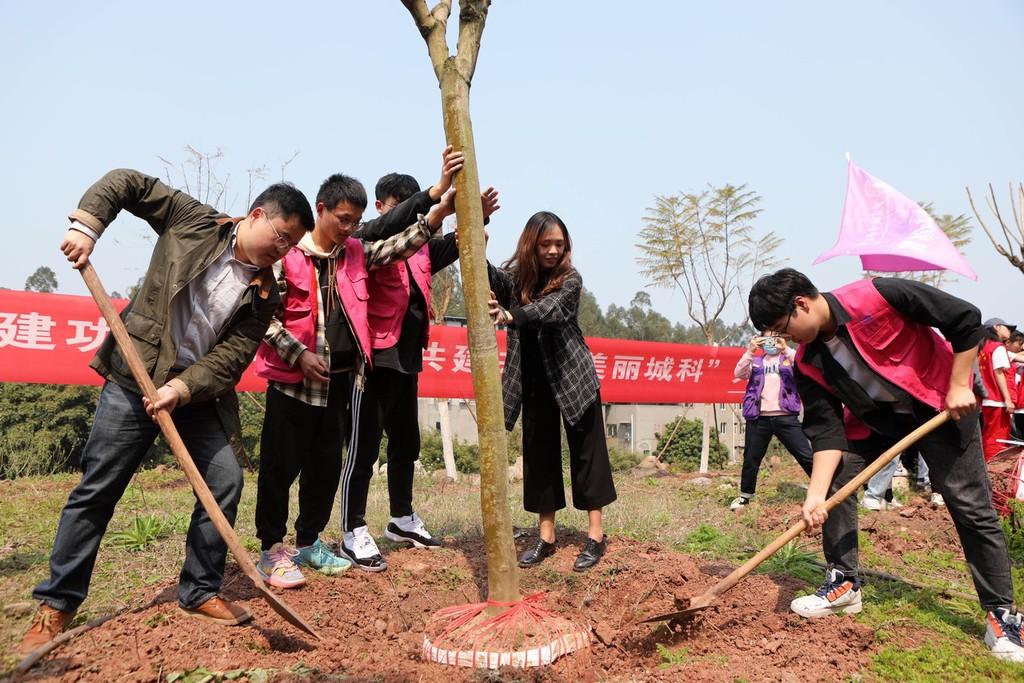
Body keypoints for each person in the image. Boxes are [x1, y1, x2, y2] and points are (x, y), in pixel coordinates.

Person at [19, 169, 314, 655]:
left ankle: (199, 590)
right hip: (134, 377)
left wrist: (181, 388)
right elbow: (126, 183)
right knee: (100, 487)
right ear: (257, 215)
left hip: (194, 394)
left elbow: (230, 359)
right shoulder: (191, 220)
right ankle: (56, 604)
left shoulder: (265, 295)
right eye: (280, 237)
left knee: (225, 482)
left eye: (290, 246)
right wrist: (86, 225)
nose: (281, 251)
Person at [748, 269, 1024, 663]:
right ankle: (844, 582)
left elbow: (964, 318)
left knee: (970, 505)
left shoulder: (877, 296)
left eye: (783, 328)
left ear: (801, 304)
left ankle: (1002, 613)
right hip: (879, 421)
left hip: (940, 405)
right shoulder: (808, 362)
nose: (787, 340)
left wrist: (960, 384)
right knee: (836, 475)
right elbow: (827, 435)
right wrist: (814, 498)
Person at [251, 165, 458, 586]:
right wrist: (300, 354)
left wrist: (437, 214)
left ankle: (308, 542)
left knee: (325, 467)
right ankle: (272, 550)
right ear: (321, 209)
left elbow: (399, 246)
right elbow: (263, 321)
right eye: (343, 219)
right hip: (294, 384)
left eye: (355, 222)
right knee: (279, 468)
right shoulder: (288, 257)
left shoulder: (356, 255)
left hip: (341, 383)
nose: (349, 229)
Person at [336, 169, 499, 571]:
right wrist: (433, 205)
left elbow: (459, 245)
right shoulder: (366, 242)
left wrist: (476, 216)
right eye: (399, 208)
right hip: (373, 358)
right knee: (363, 447)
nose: (408, 216)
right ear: (380, 208)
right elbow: (397, 231)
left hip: (407, 358)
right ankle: (351, 529)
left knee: (406, 443)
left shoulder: (423, 247)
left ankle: (401, 518)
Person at [488, 211, 617, 572]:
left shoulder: (570, 279)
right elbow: (490, 278)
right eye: (546, 244)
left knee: (587, 454)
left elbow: (550, 310)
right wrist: (476, 239)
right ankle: (546, 536)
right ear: (531, 244)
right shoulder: (517, 278)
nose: (553, 250)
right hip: (532, 379)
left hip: (573, 375)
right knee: (539, 455)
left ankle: (595, 535)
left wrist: (513, 316)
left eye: (559, 244)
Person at [730, 334, 813, 509]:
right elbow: (738, 373)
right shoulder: (756, 362)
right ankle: (745, 496)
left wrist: (785, 348)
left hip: (786, 416)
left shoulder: (788, 359)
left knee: (805, 454)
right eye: (766, 340)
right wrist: (750, 351)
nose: (770, 343)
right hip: (759, 417)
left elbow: (803, 365)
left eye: (774, 339)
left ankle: (828, 489)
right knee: (751, 458)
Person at [978, 318, 1016, 461]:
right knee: (997, 440)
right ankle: (992, 473)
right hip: (997, 400)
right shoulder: (997, 347)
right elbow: (999, 373)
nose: (1010, 331)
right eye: (1007, 328)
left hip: (985, 399)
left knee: (987, 436)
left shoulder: (983, 347)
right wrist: (1008, 399)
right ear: (997, 327)